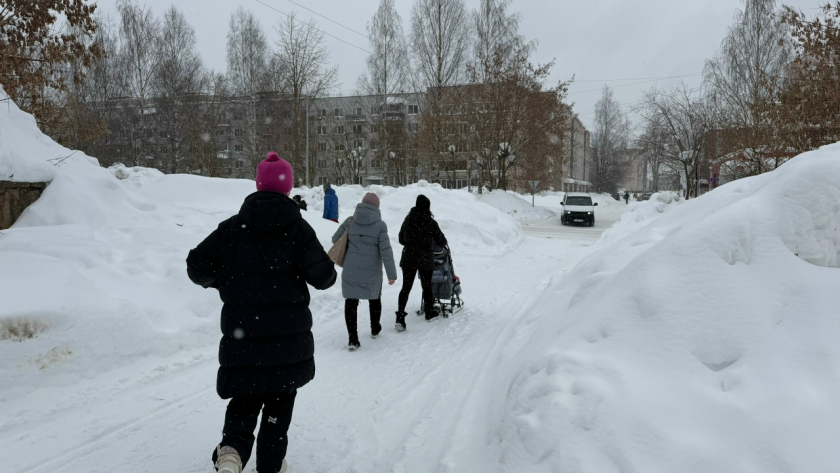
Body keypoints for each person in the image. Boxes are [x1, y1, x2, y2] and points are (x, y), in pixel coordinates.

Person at [186, 151, 337, 473]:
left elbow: (197, 266)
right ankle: (269, 463)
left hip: (244, 337)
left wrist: (223, 281)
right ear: (287, 188)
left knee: (245, 398)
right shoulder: (298, 229)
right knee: (278, 406)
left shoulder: (232, 228)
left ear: (258, 186)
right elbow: (324, 278)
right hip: (287, 342)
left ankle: (232, 452)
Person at [332, 192, 397, 350]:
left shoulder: (350, 221)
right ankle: (375, 328)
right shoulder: (380, 225)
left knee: (351, 302)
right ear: (376, 207)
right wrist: (391, 274)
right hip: (372, 271)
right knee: (374, 298)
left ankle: (353, 339)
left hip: (351, 269)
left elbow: (335, 239)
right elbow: (386, 251)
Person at [395, 194, 447, 330]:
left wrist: (412, 242)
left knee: (406, 287)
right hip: (424, 258)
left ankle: (400, 317)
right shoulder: (430, 222)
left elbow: (401, 239)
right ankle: (429, 312)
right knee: (427, 285)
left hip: (408, 257)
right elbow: (441, 240)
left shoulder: (408, 220)